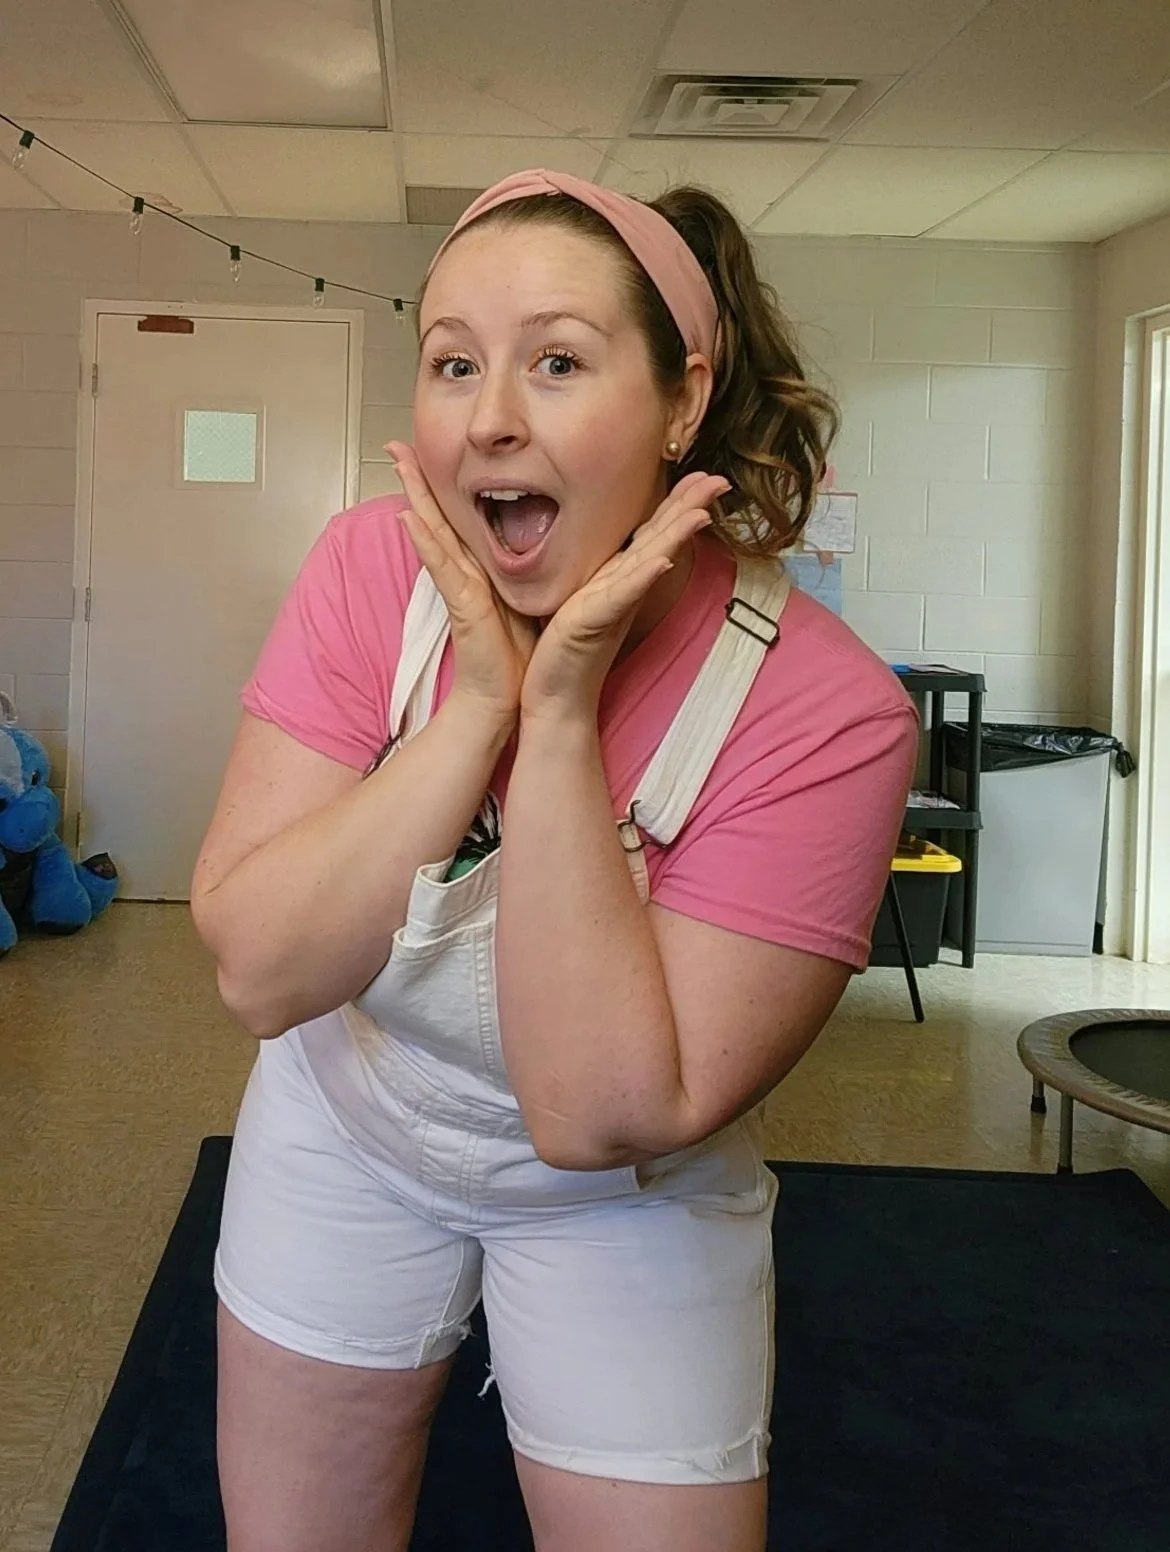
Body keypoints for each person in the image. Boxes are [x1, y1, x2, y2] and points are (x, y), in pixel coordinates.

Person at [191, 168, 918, 1552]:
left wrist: (563, 706)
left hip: (624, 1198)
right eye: (452, 362)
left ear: (682, 402)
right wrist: (475, 705)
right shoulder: (364, 572)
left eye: (559, 363)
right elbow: (262, 972)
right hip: (349, 1126)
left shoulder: (823, 713)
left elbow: (600, 1113)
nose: (490, 419)